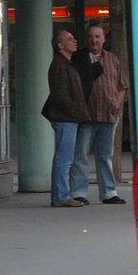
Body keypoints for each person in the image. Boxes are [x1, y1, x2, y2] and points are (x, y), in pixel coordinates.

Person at [71, 24, 129, 205]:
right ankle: (78, 193)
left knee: (105, 156)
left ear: (103, 39)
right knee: (80, 156)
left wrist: (117, 106)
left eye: (97, 37)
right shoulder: (78, 58)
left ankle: (109, 193)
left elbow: (122, 86)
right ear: (86, 40)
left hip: (109, 116)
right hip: (86, 116)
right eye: (90, 37)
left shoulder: (113, 59)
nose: (94, 40)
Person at [42, 29, 90, 207]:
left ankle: (62, 194)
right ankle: (61, 196)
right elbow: (60, 95)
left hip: (67, 116)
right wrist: (74, 111)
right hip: (66, 118)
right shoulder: (61, 66)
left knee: (65, 158)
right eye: (70, 39)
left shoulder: (65, 64)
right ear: (60, 45)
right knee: (64, 158)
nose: (75, 41)